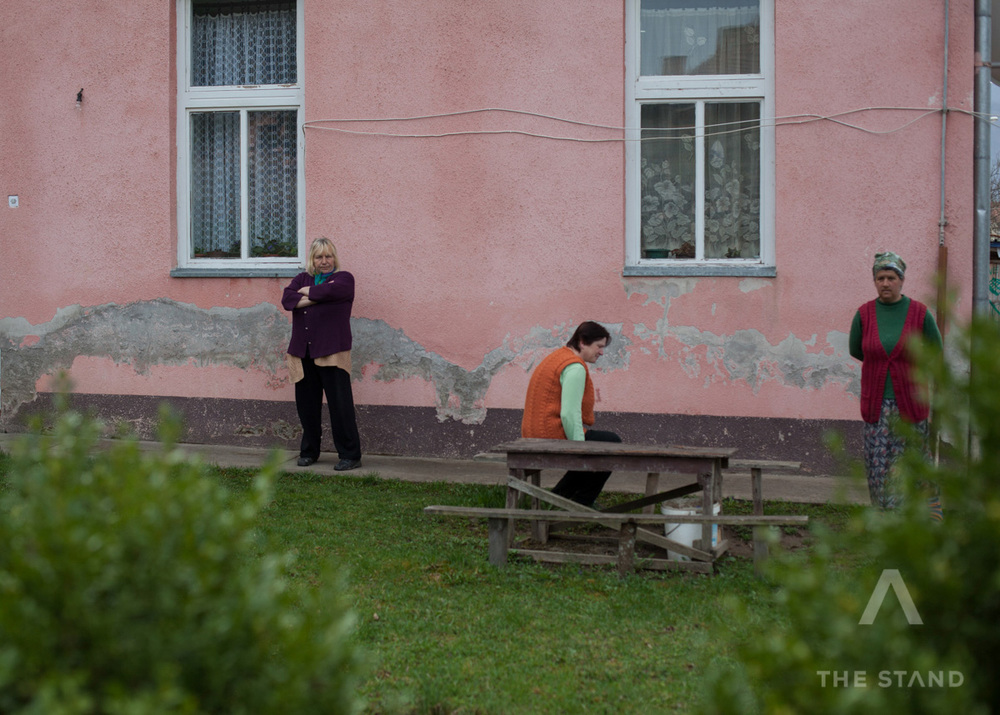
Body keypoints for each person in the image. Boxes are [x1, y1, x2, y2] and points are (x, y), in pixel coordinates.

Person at [849, 251, 942, 514]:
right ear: (875, 281)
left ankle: (922, 519)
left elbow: (934, 349)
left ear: (901, 281)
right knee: (879, 468)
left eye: (891, 277)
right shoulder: (864, 314)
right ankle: (886, 522)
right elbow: (857, 349)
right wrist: (880, 364)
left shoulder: (919, 313)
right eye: (880, 278)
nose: (885, 283)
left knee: (913, 464)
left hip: (910, 405)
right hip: (876, 406)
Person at [282, 237, 362, 470]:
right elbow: (287, 299)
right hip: (303, 351)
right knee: (306, 406)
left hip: (332, 351)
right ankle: (309, 452)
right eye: (319, 257)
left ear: (334, 258)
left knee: (340, 405)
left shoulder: (344, 279)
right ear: (312, 260)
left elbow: (335, 290)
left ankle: (350, 455)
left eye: (328, 256)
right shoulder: (301, 278)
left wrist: (306, 295)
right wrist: (317, 296)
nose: (324, 261)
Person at [521, 321, 622, 506]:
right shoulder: (574, 367)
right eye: (599, 346)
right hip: (549, 435)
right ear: (583, 342)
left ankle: (558, 499)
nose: (601, 352)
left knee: (599, 445)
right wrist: (579, 449)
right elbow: (569, 413)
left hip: (534, 433)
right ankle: (582, 502)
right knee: (612, 444)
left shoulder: (557, 357)